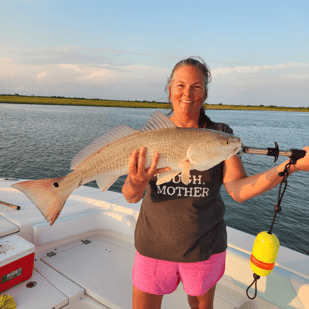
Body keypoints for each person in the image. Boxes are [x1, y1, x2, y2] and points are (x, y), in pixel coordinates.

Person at [122, 57, 309, 309]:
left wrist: (290, 167)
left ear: (205, 93)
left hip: (204, 249)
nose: (187, 93)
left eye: (196, 86)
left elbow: (239, 190)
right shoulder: (150, 137)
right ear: (169, 90)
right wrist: (135, 182)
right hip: (152, 247)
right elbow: (131, 196)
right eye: (180, 85)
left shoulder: (221, 135)